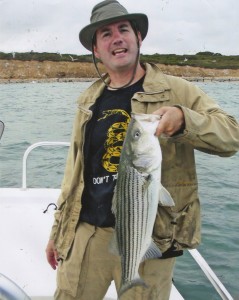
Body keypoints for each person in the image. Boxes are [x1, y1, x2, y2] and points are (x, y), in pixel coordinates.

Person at [45, 1, 239, 299]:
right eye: (105, 34)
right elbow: (74, 172)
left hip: (151, 235)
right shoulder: (88, 99)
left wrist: (185, 119)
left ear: (138, 37)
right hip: (85, 234)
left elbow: (232, 134)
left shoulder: (178, 90)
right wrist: (58, 233)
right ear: (96, 50)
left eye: (124, 29)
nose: (117, 38)